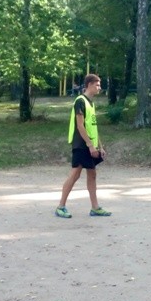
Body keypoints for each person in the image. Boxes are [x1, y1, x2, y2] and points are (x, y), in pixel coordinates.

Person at [55, 74, 111, 218]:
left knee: (92, 174)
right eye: (97, 85)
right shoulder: (80, 101)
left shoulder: (91, 103)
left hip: (90, 144)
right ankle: (60, 206)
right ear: (89, 84)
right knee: (75, 174)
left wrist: (100, 146)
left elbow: (93, 127)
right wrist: (90, 145)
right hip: (81, 144)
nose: (99, 87)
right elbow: (80, 126)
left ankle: (95, 208)